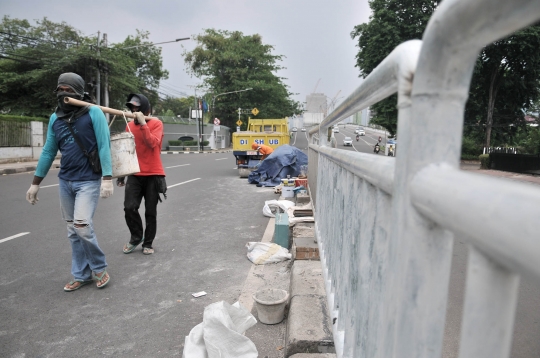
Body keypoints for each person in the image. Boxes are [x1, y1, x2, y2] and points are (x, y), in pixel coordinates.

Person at [25, 72, 113, 292]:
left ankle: (99, 267)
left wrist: (108, 178)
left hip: (88, 180)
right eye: (60, 89)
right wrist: (36, 183)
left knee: (82, 226)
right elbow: (48, 151)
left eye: (69, 90)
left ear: (80, 93)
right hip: (66, 181)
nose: (64, 94)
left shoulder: (94, 113)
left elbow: (104, 145)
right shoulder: (55, 118)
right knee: (73, 231)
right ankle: (81, 274)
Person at [117, 94, 165, 255]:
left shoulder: (156, 123)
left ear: (145, 108)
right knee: (129, 207)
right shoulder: (129, 125)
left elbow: (152, 143)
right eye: (132, 108)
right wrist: (122, 174)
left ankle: (148, 243)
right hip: (135, 173)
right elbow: (127, 150)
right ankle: (136, 236)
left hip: (153, 174)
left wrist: (144, 123)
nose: (134, 110)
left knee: (150, 211)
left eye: (138, 108)